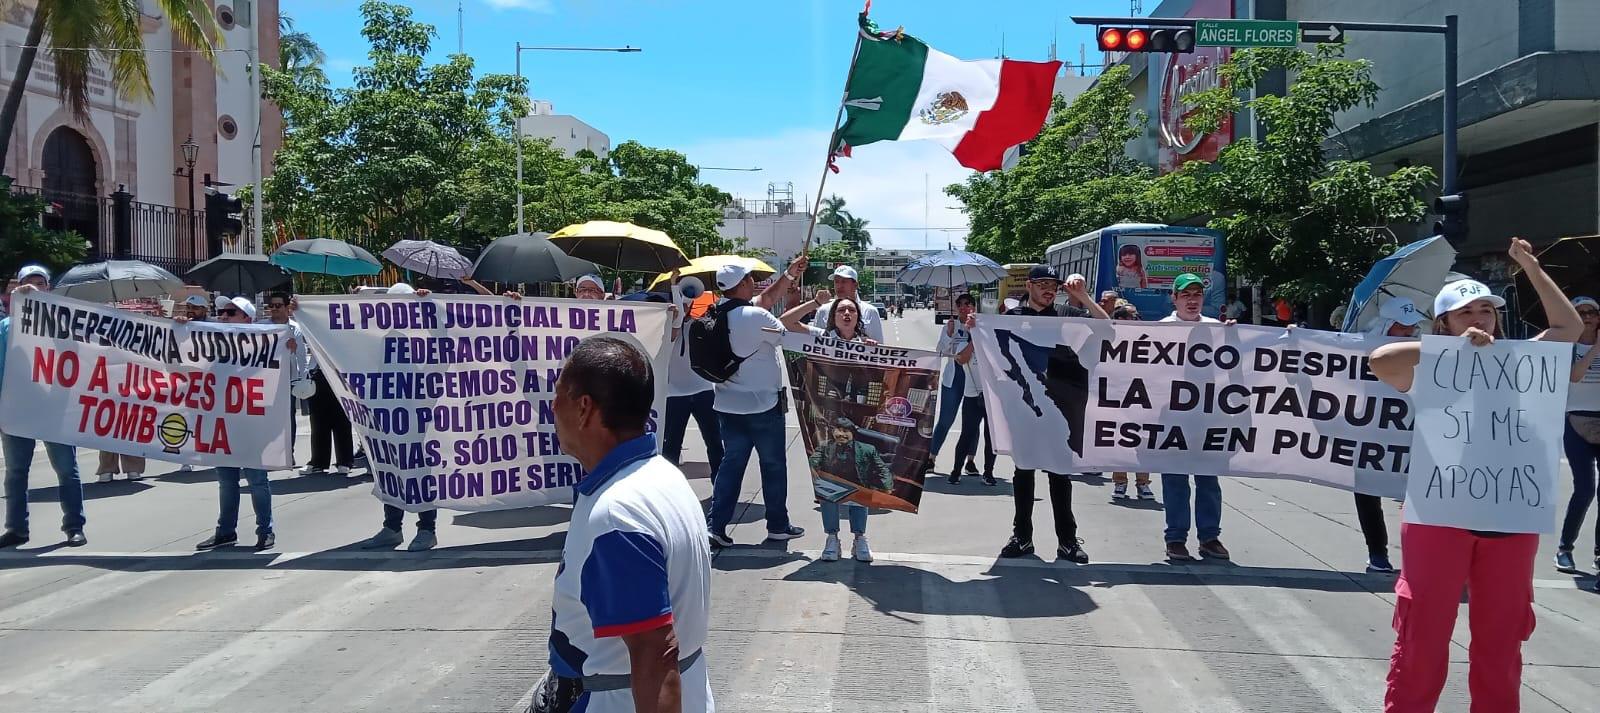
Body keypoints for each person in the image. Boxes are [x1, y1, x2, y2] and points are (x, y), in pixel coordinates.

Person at [1370, 238, 1583, 711]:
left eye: (1486, 310)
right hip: (1438, 517)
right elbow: (1381, 361)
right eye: (1466, 312)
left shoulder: (1523, 360)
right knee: (1423, 635)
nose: (1479, 318)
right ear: (1443, 322)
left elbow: (1568, 326)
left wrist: (1529, 266)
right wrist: (1451, 350)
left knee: (1502, 639)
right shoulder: (1431, 365)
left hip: (1510, 518)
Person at [543, 336, 713, 712]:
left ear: (584, 408)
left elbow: (655, 651)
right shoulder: (662, 475)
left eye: (558, 395)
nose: (552, 408)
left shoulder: (617, 514)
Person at [968, 265, 1107, 563]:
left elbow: (1107, 327)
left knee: (1060, 473)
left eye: (1053, 285)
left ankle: (1067, 540)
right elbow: (990, 347)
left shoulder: (1067, 314)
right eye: (1043, 283)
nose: (1049, 289)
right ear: (1029, 286)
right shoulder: (1014, 318)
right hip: (1025, 406)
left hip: (1063, 406)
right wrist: (974, 328)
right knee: (1024, 472)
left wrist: (1083, 297)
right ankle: (1022, 537)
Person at [706, 255, 808, 548]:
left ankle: (717, 526)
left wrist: (789, 275)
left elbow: (764, 299)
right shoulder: (756, 317)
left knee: (730, 466)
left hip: (727, 405)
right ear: (743, 283)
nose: (755, 282)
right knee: (773, 465)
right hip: (762, 406)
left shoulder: (716, 312)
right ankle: (777, 524)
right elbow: (786, 336)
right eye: (751, 278)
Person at [781, 289, 880, 562]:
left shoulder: (867, 344)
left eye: (851, 310)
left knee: (859, 476)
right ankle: (832, 536)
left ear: (858, 317)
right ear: (833, 317)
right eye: (841, 310)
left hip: (855, 422)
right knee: (827, 478)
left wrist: (873, 357)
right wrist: (815, 303)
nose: (846, 314)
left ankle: (859, 537)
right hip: (825, 422)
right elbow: (786, 322)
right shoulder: (821, 339)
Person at [0, 266, 87, 549]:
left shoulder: (62, 325)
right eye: (29, 283)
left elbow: (76, 358)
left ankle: (74, 526)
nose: (35, 288)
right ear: (18, 288)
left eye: (41, 283)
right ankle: (16, 528)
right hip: (16, 410)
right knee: (15, 472)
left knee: (66, 469)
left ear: (49, 289)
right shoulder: (5, 327)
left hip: (54, 409)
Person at [1158, 273, 1232, 562]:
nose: (1192, 300)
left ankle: (1209, 537)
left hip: (1208, 417)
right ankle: (1175, 538)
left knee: (1208, 480)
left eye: (1197, 295)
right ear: (1174, 298)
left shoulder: (1218, 329)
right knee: (1175, 479)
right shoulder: (1162, 330)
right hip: (1173, 417)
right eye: (1186, 294)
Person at [193, 297, 276, 551]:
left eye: (231, 312)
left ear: (247, 319)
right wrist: (180, 325)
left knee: (257, 481)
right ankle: (226, 531)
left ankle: (266, 530)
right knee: (226, 481)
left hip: (252, 424)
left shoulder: (267, 344)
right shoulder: (213, 343)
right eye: (222, 312)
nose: (224, 316)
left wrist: (291, 347)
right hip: (224, 424)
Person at [363, 283, 441, 551]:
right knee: (390, 468)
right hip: (387, 415)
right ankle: (391, 527)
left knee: (420, 471)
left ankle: (427, 529)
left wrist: (428, 303)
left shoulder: (427, 333)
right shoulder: (380, 336)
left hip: (420, 416)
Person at [1354, 297, 1426, 573]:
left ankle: (1418, 554)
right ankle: (1377, 553)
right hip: (1367, 434)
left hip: (1407, 435)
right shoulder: (1357, 349)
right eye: (1401, 327)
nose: (1409, 332)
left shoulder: (1418, 350)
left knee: (1418, 496)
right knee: (1368, 494)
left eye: (1411, 327)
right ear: (1385, 325)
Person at [660, 275, 725, 484]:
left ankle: (721, 486)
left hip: (703, 391)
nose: (686, 307)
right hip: (674, 394)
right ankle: (668, 489)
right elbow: (675, 328)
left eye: (688, 302)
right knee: (671, 447)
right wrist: (674, 291)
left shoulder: (698, 326)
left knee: (715, 442)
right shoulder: (665, 329)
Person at [1557, 295, 1600, 574]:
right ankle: (1564, 548)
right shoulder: (1565, 347)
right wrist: (1595, 350)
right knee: (1584, 489)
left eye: (1592, 312)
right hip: (1575, 421)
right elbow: (1573, 376)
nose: (1586, 316)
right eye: (1579, 312)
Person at [929, 294, 986, 479]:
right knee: (946, 419)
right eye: (960, 304)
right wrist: (948, 334)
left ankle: (970, 461)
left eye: (968, 304)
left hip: (975, 379)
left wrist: (974, 330)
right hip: (954, 378)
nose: (963, 307)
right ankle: (931, 457)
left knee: (972, 423)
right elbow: (940, 351)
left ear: (974, 306)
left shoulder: (981, 324)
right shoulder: (950, 325)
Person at [1108, 301, 1154, 500]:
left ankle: (1143, 483)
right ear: (1121, 319)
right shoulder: (1110, 338)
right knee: (1119, 441)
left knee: (1142, 442)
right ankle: (1120, 482)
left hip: (1142, 398)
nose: (1137, 319)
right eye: (1133, 316)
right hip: (1117, 397)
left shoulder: (1147, 337)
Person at [265, 291, 309, 469]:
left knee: (287, 419)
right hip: (266, 381)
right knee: (267, 419)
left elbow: (301, 357)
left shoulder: (295, 329)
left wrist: (302, 380)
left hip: (287, 381)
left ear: (286, 308)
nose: (274, 309)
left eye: (278, 306)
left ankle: (287, 453)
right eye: (272, 306)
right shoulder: (261, 327)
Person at [810, 265, 884, 342]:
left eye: (844, 282)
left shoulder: (870, 311)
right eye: (836, 282)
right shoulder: (823, 310)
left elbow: (880, 346)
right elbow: (814, 342)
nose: (839, 286)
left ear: (855, 285)